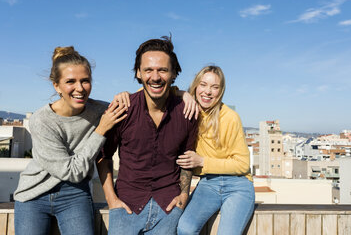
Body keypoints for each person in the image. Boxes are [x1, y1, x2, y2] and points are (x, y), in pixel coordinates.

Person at [13, 46, 127, 235]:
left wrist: (178, 93)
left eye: (85, 81)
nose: (80, 88)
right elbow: (72, 171)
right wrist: (100, 130)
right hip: (34, 194)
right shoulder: (42, 120)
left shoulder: (100, 110)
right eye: (70, 82)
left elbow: (141, 103)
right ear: (56, 85)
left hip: (75, 193)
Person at [96, 36, 198, 235]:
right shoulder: (122, 109)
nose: (156, 76)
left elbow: (188, 158)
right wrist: (111, 200)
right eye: (148, 70)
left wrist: (184, 194)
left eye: (163, 70)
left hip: (168, 207)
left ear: (174, 73)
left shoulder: (187, 113)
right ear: (138, 73)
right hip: (126, 206)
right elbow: (103, 156)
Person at [177, 65, 255, 235]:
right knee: (184, 229)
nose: (208, 91)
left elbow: (242, 165)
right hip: (208, 184)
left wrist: (202, 162)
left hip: (238, 185)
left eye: (214, 87)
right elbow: (156, 90)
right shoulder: (188, 111)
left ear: (221, 91)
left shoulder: (229, 117)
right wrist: (182, 94)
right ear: (195, 86)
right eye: (203, 84)